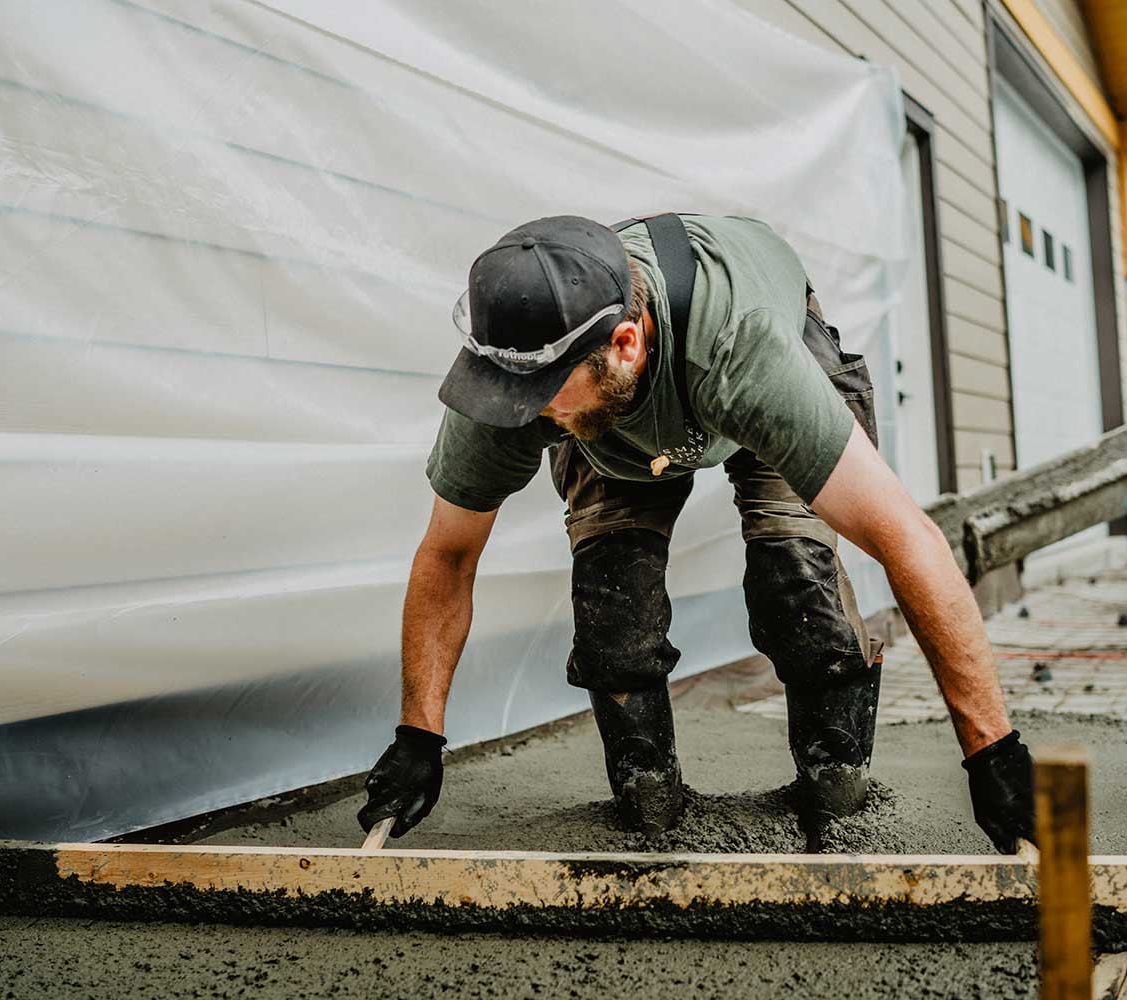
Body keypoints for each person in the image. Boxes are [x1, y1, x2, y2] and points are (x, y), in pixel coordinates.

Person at [357, 213, 1035, 851]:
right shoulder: (516, 378)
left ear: (624, 343)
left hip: (738, 366)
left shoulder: (748, 356)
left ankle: (837, 796)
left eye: (538, 397)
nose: (518, 413)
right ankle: (652, 808)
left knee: (798, 593)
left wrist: (991, 750)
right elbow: (448, 556)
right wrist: (420, 734)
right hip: (607, 426)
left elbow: (905, 538)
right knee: (614, 620)